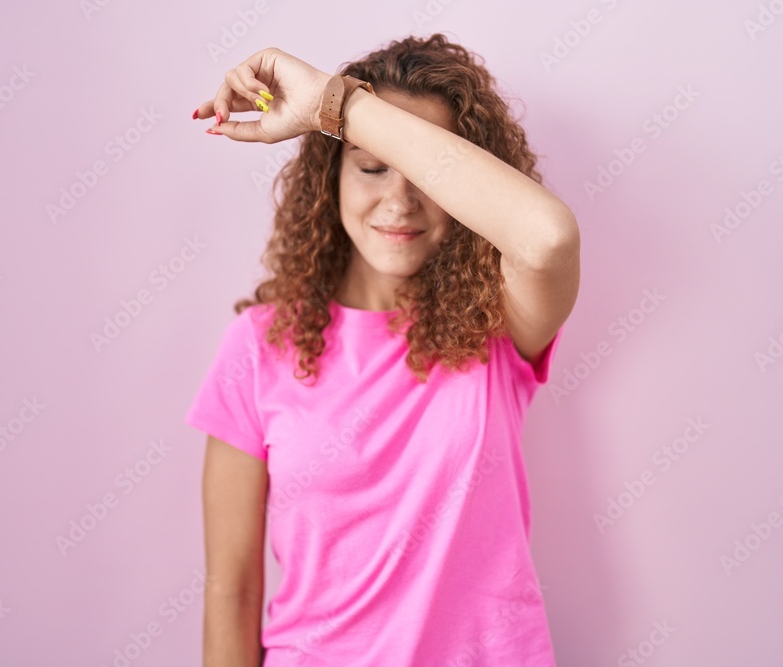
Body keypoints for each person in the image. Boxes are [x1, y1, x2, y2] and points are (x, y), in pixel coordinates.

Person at [185, 32, 579, 667]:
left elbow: (550, 239)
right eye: (371, 166)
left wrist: (334, 105)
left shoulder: (494, 326)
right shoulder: (259, 345)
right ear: (330, 174)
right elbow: (232, 591)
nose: (399, 202)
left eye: (427, 175)